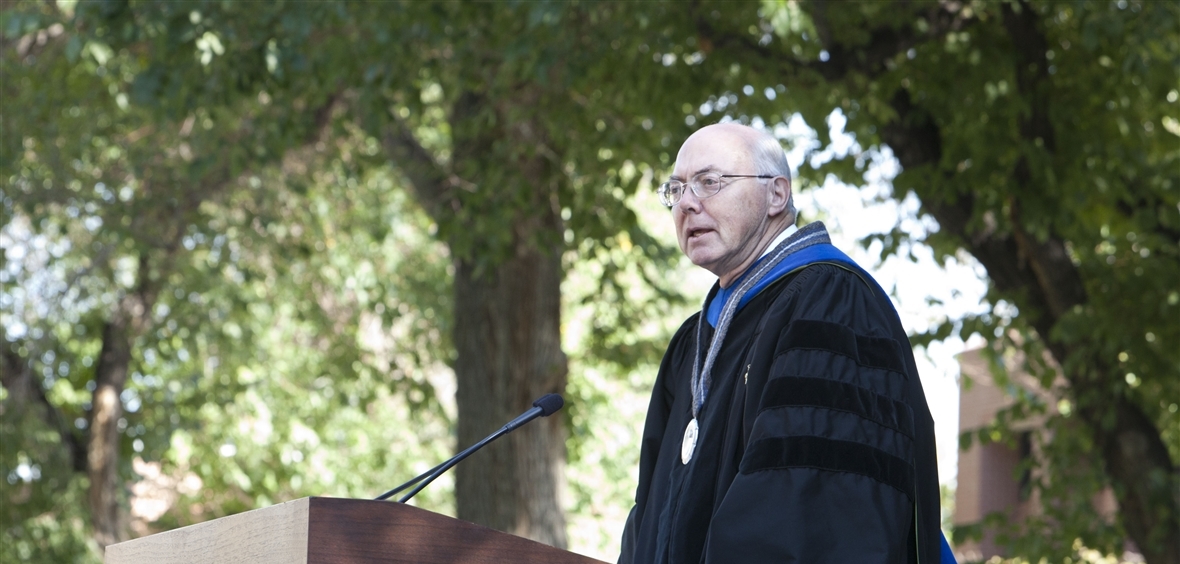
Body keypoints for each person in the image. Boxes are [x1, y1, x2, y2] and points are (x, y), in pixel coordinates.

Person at [618, 123, 952, 563]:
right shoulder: (691, 343)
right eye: (676, 190)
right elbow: (651, 509)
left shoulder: (830, 302)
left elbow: (816, 504)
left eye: (709, 182)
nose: (687, 203)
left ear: (777, 194)